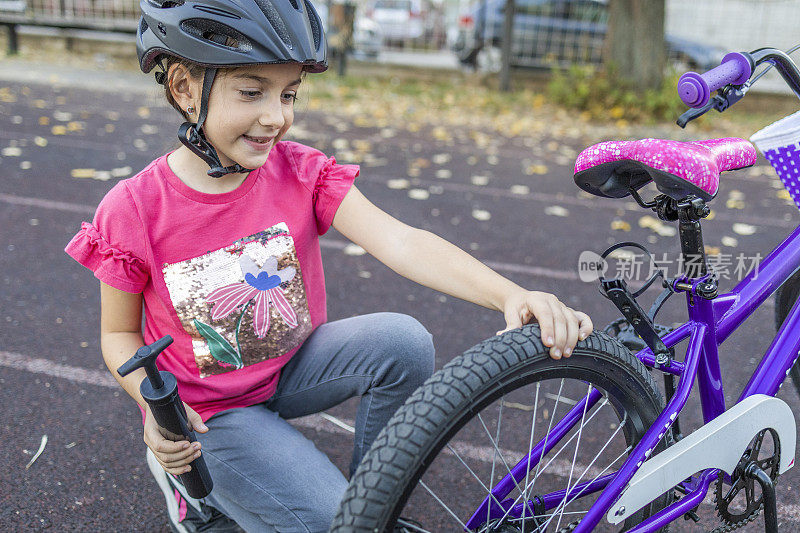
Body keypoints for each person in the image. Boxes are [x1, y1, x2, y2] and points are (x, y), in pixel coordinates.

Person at [64, 1, 594, 531]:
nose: (277, 116)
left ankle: (371, 505)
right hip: (210, 415)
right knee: (325, 518)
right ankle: (196, 497)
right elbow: (118, 335)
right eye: (252, 92)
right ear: (183, 89)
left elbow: (401, 240)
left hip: (290, 369)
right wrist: (161, 416)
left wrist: (509, 295)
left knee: (403, 343)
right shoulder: (134, 209)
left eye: (288, 93)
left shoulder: (299, 170)